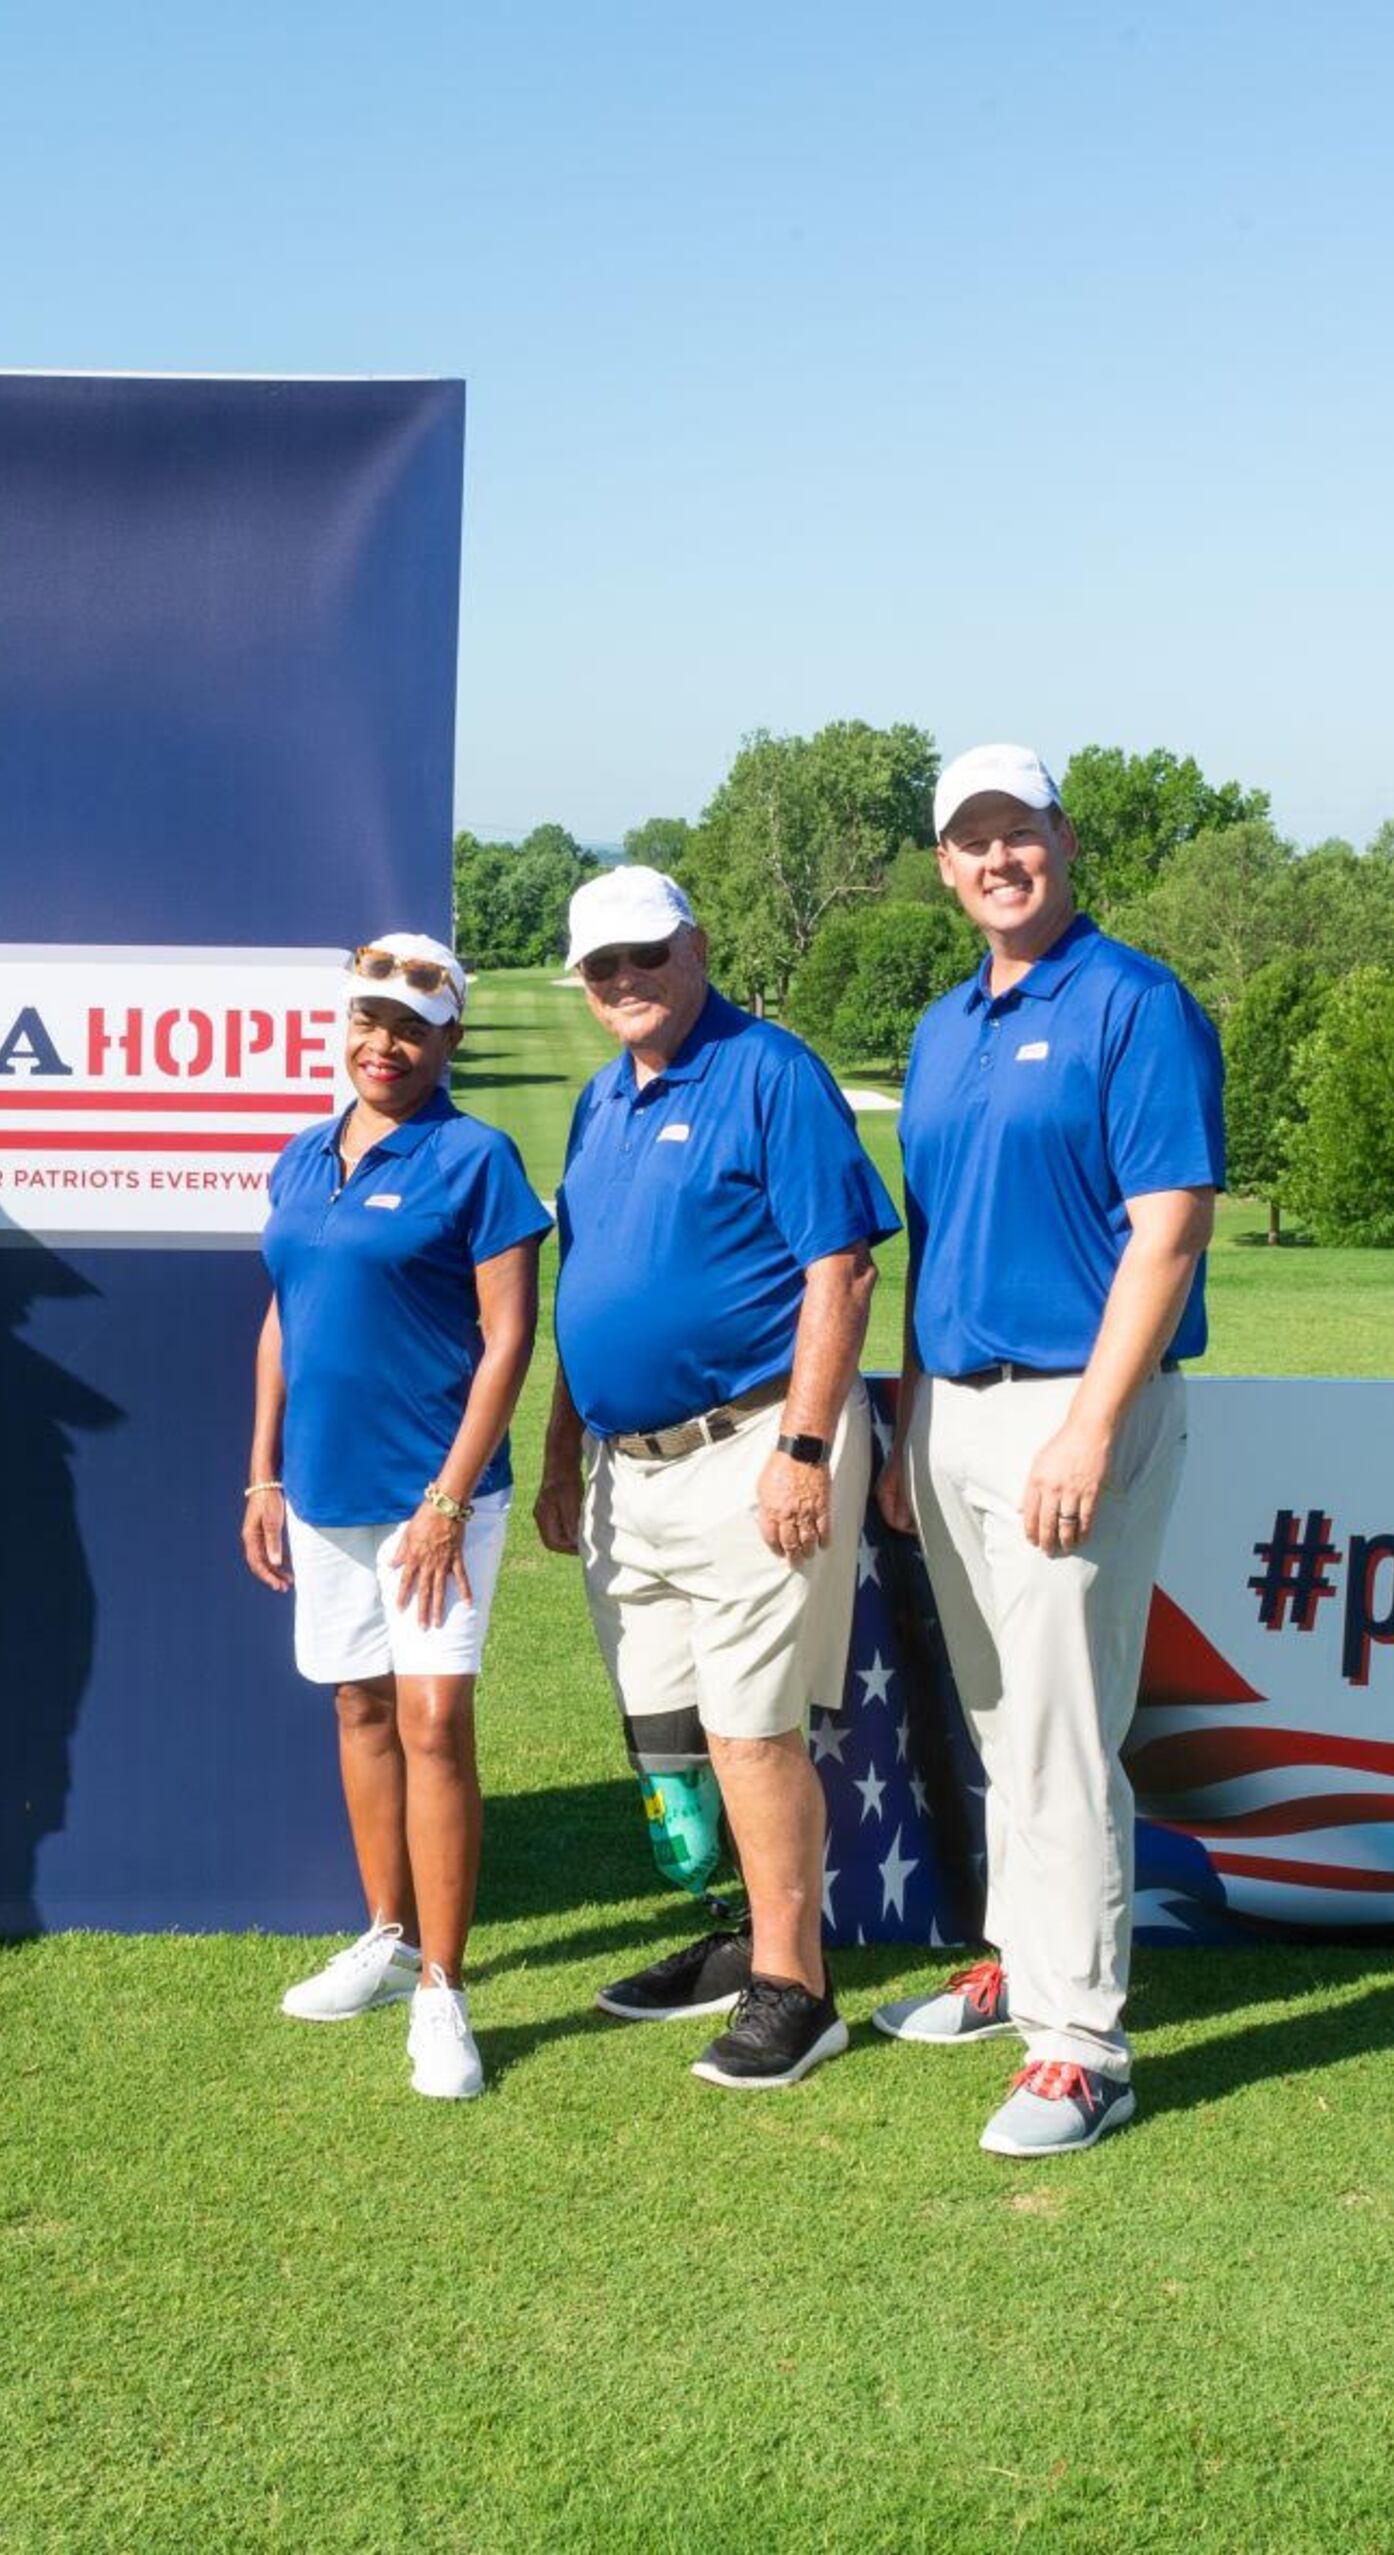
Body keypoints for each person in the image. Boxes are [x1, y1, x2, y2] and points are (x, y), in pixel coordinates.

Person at [872, 744, 1223, 2158]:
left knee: (1067, 1727)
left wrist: (1088, 1420)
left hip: (1081, 1400)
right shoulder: (946, 1023)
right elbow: (935, 1234)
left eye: (1020, 832)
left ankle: (1083, 2044)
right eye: (972, 841)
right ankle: (1022, 1957)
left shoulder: (1134, 1000)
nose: (998, 858)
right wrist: (906, 1415)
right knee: (1006, 1715)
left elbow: (1172, 1223)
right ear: (947, 866)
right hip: (956, 1402)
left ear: (1064, 841)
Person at [531, 865, 900, 2092]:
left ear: (694, 946)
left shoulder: (768, 1070)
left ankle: (800, 1986)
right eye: (602, 967)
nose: (624, 981)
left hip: (751, 1447)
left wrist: (802, 1447)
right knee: (671, 1732)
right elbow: (586, 1291)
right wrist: (558, 1448)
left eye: (645, 954)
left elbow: (839, 1271)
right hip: (625, 1471)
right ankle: (749, 1936)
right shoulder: (600, 1100)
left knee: (751, 1727)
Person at [243, 935, 549, 2102]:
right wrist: (260, 1472)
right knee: (361, 1703)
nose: (385, 1043)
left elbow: (510, 1338)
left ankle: (444, 1992)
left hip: (438, 1498)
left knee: (433, 1722)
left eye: (412, 1027)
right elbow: (284, 1317)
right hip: (322, 1488)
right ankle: (388, 1935)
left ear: (450, 1039)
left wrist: (446, 1497)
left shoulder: (476, 1157)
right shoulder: (303, 1154)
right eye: (370, 1021)